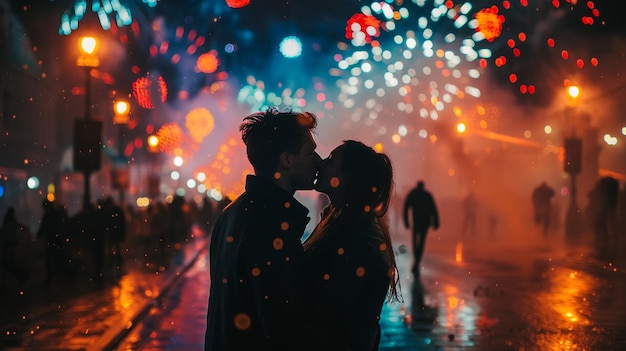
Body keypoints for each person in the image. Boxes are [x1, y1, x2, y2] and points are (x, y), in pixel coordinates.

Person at [205, 108, 322, 351]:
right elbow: (281, 323)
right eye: (310, 153)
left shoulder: (232, 213)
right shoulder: (269, 222)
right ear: (286, 159)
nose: (318, 160)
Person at [301, 140, 400, 350]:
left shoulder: (354, 236)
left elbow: (329, 311)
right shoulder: (346, 223)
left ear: (345, 178)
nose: (320, 162)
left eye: (331, 161)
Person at [403, 180, 439, 275]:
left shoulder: (413, 194)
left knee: (415, 243)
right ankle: (417, 262)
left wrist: (406, 222)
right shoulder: (427, 195)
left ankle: (416, 261)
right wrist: (436, 222)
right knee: (421, 243)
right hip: (425, 224)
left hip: (417, 223)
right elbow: (433, 210)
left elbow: (406, 208)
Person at [1, 207, 30, 285]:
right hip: (11, 247)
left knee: (8, 265)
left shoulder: (7, 224)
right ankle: (22, 275)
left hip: (7, 247)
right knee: (9, 265)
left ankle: (23, 275)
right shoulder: (13, 223)